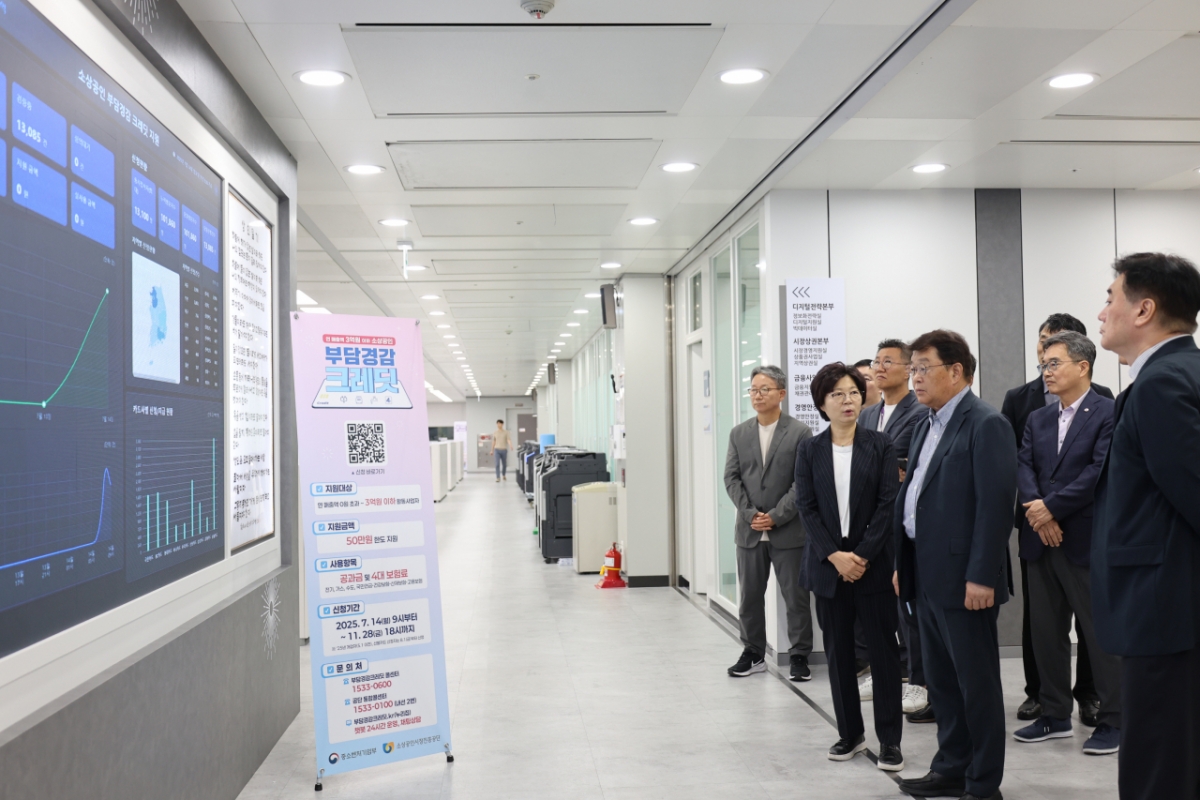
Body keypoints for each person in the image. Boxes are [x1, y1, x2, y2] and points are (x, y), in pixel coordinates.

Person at [1093, 252, 1200, 800]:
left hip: (1164, 607)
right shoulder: (1177, 373)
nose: (1101, 312)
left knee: (1158, 762)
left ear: (1144, 310)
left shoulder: (1161, 383)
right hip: (1172, 601)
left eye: (1111, 298)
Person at [894, 330, 1015, 800]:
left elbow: (995, 507)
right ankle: (951, 767)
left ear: (957, 370)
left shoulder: (985, 423)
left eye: (923, 368)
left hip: (966, 580)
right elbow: (917, 499)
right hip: (925, 574)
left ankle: (982, 783)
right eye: (913, 369)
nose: (915, 378)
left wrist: (982, 575)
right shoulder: (926, 424)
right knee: (941, 684)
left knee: (976, 686)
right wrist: (904, 563)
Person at [1012, 331, 1121, 757]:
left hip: (1085, 539)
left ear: (1083, 366)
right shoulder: (1038, 418)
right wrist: (1039, 513)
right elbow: (1023, 465)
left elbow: (1100, 470)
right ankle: (1054, 714)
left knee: (1099, 634)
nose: (1046, 371)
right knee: (1046, 633)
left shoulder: (1109, 412)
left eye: (1054, 363)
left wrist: (1051, 508)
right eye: (1044, 364)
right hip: (1041, 540)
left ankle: (1114, 720)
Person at [795, 363, 904, 771]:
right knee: (839, 655)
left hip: (871, 565)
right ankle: (850, 734)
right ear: (822, 403)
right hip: (828, 568)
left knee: (884, 654)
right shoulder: (810, 449)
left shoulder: (880, 444)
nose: (848, 400)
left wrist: (861, 556)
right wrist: (835, 556)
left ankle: (890, 741)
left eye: (854, 392)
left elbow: (887, 503)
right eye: (837, 394)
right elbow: (806, 507)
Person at [724, 365, 815, 682]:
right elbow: (731, 478)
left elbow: (802, 482)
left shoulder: (800, 432)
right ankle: (753, 653)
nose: (758, 395)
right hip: (749, 531)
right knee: (749, 597)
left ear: (781, 393)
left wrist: (776, 515)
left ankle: (799, 655)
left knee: (796, 598)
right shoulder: (739, 433)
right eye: (753, 389)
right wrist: (750, 514)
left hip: (788, 531)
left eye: (765, 389)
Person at [859, 339, 929, 719]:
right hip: (872, 525)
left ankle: (919, 680)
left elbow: (905, 464)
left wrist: (883, 468)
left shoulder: (919, 412)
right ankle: (887, 671)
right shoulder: (869, 413)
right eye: (877, 361)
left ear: (908, 369)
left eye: (889, 361)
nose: (880, 368)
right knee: (878, 606)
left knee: (908, 608)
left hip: (902, 524)